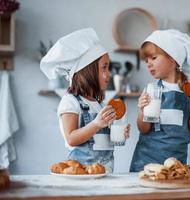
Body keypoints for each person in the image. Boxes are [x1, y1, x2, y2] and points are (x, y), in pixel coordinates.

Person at [40, 28, 130, 173]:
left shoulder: (100, 104)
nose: (109, 74)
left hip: (106, 175)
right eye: (104, 68)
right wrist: (96, 124)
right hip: (80, 176)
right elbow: (71, 138)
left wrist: (118, 135)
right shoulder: (70, 101)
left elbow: (102, 142)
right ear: (87, 72)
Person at [130, 29, 190, 172]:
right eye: (146, 60)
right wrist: (142, 111)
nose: (148, 64)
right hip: (145, 163)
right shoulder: (150, 90)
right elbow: (143, 129)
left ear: (173, 58)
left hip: (175, 166)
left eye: (153, 58)